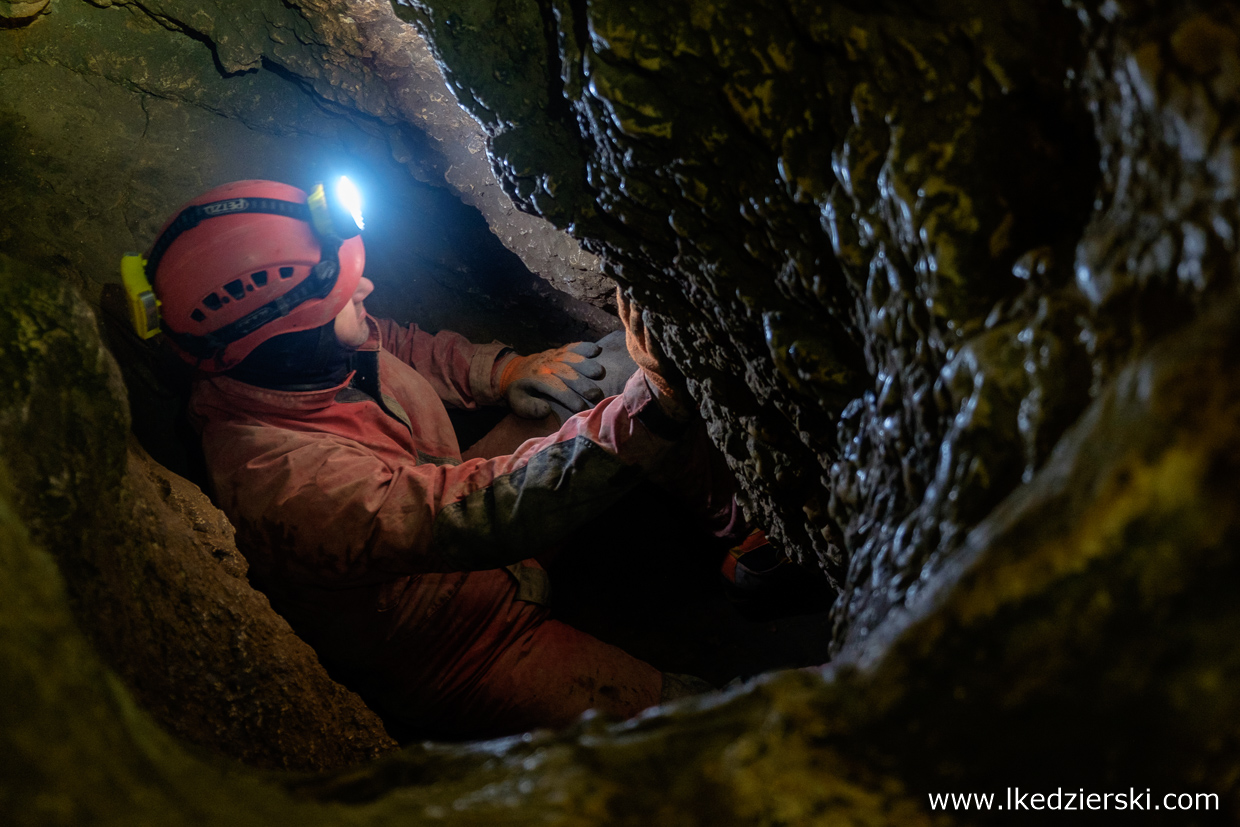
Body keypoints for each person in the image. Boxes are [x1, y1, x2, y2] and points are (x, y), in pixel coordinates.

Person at [131, 178, 744, 738]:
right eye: (346, 298)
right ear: (290, 340)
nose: (365, 290)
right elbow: (484, 515)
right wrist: (654, 411)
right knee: (696, 726)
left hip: (465, 514)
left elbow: (394, 342)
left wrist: (504, 372)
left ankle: (743, 538)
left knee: (615, 366)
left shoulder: (297, 354)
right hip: (462, 646)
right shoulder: (286, 483)